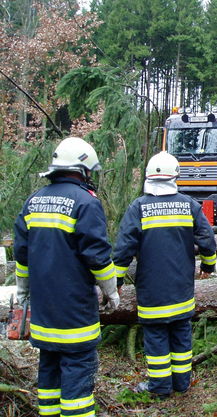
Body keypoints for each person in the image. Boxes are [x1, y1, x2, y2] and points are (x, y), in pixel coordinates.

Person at [13, 137, 119, 417]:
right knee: (77, 378)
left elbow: (21, 256)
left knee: (49, 370)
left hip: (44, 313)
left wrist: (22, 293)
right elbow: (97, 257)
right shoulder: (85, 202)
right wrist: (111, 291)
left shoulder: (33, 201)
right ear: (82, 169)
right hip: (75, 313)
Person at [113, 151, 217, 398]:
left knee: (156, 338)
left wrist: (116, 280)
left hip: (151, 290)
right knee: (181, 336)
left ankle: (160, 387)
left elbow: (124, 248)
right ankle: (182, 384)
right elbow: (207, 238)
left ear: (149, 177)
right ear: (175, 176)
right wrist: (208, 267)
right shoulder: (189, 205)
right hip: (181, 286)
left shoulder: (138, 207)